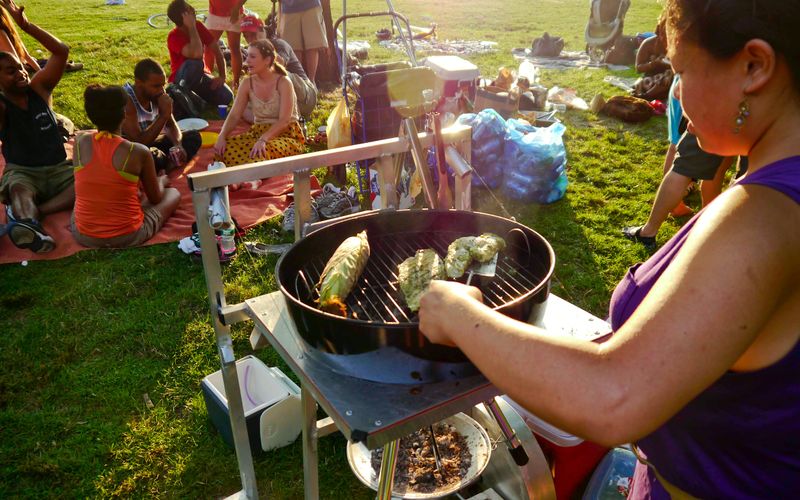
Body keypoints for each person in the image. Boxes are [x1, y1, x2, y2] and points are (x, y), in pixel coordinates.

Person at [419, 0, 800, 497]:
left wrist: (457, 313)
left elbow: (614, 396)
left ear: (754, 66)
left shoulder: (766, 216)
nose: (677, 92)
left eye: (681, 70)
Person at [0, 0, 71, 253]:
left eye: (20, 68)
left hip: (59, 170)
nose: (20, 73)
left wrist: (26, 25)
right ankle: (31, 226)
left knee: (90, 180)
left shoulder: (39, 90)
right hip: (24, 172)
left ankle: (32, 215)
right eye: (10, 71)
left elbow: (61, 51)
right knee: (19, 191)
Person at [72, 85, 180, 249]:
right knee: (173, 193)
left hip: (85, 235)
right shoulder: (137, 151)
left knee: (81, 203)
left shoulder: (79, 142)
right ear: (124, 114)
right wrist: (162, 181)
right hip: (128, 235)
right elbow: (156, 198)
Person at [213, 39, 304, 173]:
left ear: (267, 60)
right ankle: (251, 174)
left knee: (262, 151)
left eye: (253, 56)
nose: (247, 61)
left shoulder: (284, 82)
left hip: (286, 135)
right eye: (247, 55)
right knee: (224, 150)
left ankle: (250, 178)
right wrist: (222, 136)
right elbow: (234, 115)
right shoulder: (247, 83)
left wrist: (263, 139)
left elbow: (284, 121)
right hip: (257, 133)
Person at [121, 58, 202, 173]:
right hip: (130, 151)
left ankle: (166, 164)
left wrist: (178, 145)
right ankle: (165, 165)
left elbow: (171, 125)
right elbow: (139, 143)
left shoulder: (157, 95)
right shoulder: (126, 100)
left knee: (193, 136)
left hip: (151, 144)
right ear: (139, 83)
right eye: (156, 86)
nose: (161, 91)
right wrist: (163, 115)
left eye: (163, 85)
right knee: (149, 157)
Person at [240, 15, 317, 119]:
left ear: (262, 30)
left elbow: (279, 65)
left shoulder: (279, 44)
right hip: (281, 101)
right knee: (242, 106)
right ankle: (273, 121)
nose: (250, 40)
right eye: (246, 36)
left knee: (279, 74)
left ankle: (283, 118)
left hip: (305, 97)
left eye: (253, 35)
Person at [166, 0, 233, 108]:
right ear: (183, 16)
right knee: (195, 64)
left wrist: (222, 76)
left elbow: (217, 51)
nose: (193, 10)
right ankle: (183, 96)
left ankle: (193, 99)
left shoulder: (198, 26)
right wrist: (192, 27)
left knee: (226, 96)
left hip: (200, 76)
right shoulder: (173, 36)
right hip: (181, 80)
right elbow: (196, 54)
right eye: (189, 9)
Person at [278, 0, 328, 82]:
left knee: (312, 45)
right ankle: (301, 82)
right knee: (293, 47)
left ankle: (311, 82)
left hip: (311, 5)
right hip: (288, 7)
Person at [203, 0, 243, 91]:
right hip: (214, 14)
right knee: (208, 48)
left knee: (234, 48)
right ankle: (208, 79)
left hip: (234, 13)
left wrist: (237, 8)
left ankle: (236, 82)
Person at [632, 18, 672, 101]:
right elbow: (638, 68)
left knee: (669, 76)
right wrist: (653, 64)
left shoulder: (675, 45)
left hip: (669, 78)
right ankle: (647, 95)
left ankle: (647, 96)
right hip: (651, 78)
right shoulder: (648, 43)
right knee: (645, 83)